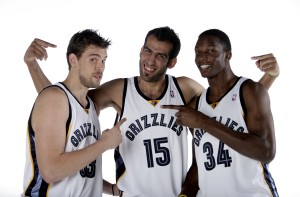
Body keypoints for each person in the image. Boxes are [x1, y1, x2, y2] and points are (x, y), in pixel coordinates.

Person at [25, 26, 279, 197]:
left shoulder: (185, 88)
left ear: (172, 62)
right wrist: (33, 66)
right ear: (140, 50)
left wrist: (267, 79)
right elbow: (66, 101)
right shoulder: (119, 90)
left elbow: (227, 105)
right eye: (148, 50)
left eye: (160, 55)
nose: (150, 60)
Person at [162, 29, 279, 197]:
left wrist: (203, 122)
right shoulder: (196, 105)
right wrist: (185, 194)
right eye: (198, 52)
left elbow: (266, 152)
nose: (202, 57)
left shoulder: (250, 90)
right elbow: (199, 165)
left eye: (211, 50)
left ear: (227, 55)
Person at [22, 29, 126, 197]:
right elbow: (51, 171)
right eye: (93, 59)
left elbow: (80, 169)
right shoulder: (54, 99)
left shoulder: (89, 106)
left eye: (103, 60)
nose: (100, 67)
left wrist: (111, 189)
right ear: (73, 60)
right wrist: (104, 144)